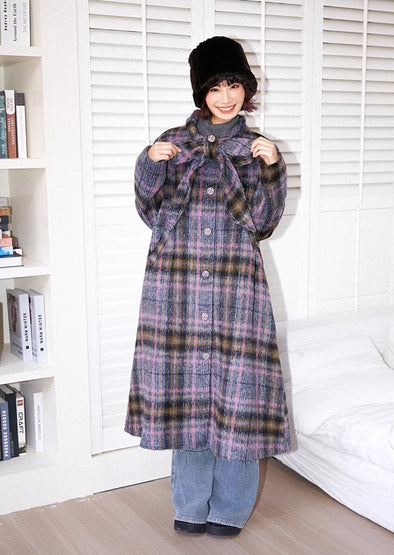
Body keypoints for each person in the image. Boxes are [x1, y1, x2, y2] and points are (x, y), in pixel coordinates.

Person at [125, 36, 291, 537]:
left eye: (234, 85)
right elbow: (151, 213)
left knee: (238, 398)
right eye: (215, 87)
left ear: (247, 89)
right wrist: (148, 163)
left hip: (237, 288)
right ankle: (190, 506)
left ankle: (230, 510)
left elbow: (263, 222)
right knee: (188, 400)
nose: (225, 97)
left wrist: (272, 169)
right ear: (201, 91)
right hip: (176, 287)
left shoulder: (257, 149)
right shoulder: (173, 143)